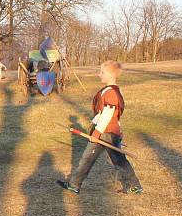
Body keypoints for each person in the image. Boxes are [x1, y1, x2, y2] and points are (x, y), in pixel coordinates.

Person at [58, 61, 143, 195]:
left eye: (102, 72)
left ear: (110, 75)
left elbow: (108, 114)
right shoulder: (114, 90)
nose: (99, 75)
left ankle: (74, 184)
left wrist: (97, 133)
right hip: (108, 132)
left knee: (89, 158)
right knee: (116, 160)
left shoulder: (111, 93)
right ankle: (134, 185)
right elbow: (106, 114)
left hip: (106, 133)